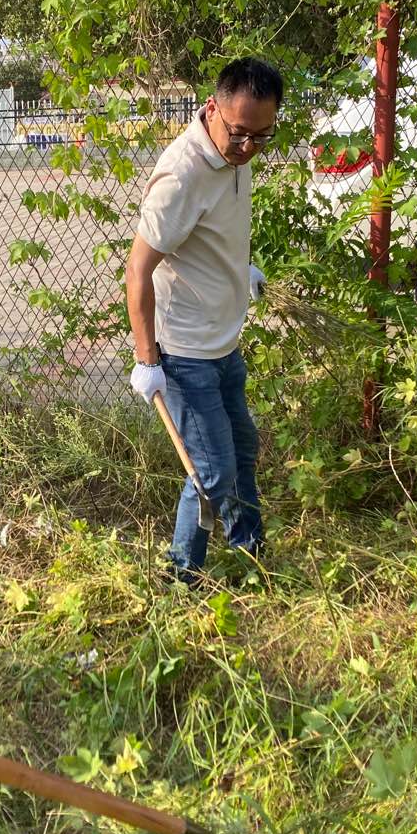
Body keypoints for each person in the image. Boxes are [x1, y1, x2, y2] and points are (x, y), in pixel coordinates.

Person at [125, 57, 282, 579]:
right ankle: (181, 574)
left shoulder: (240, 154)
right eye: (239, 134)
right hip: (185, 351)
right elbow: (137, 270)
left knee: (242, 450)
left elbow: (213, 233)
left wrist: (240, 268)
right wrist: (148, 360)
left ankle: (250, 552)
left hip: (223, 344)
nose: (247, 148)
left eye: (262, 136)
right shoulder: (183, 174)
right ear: (212, 109)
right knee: (210, 472)